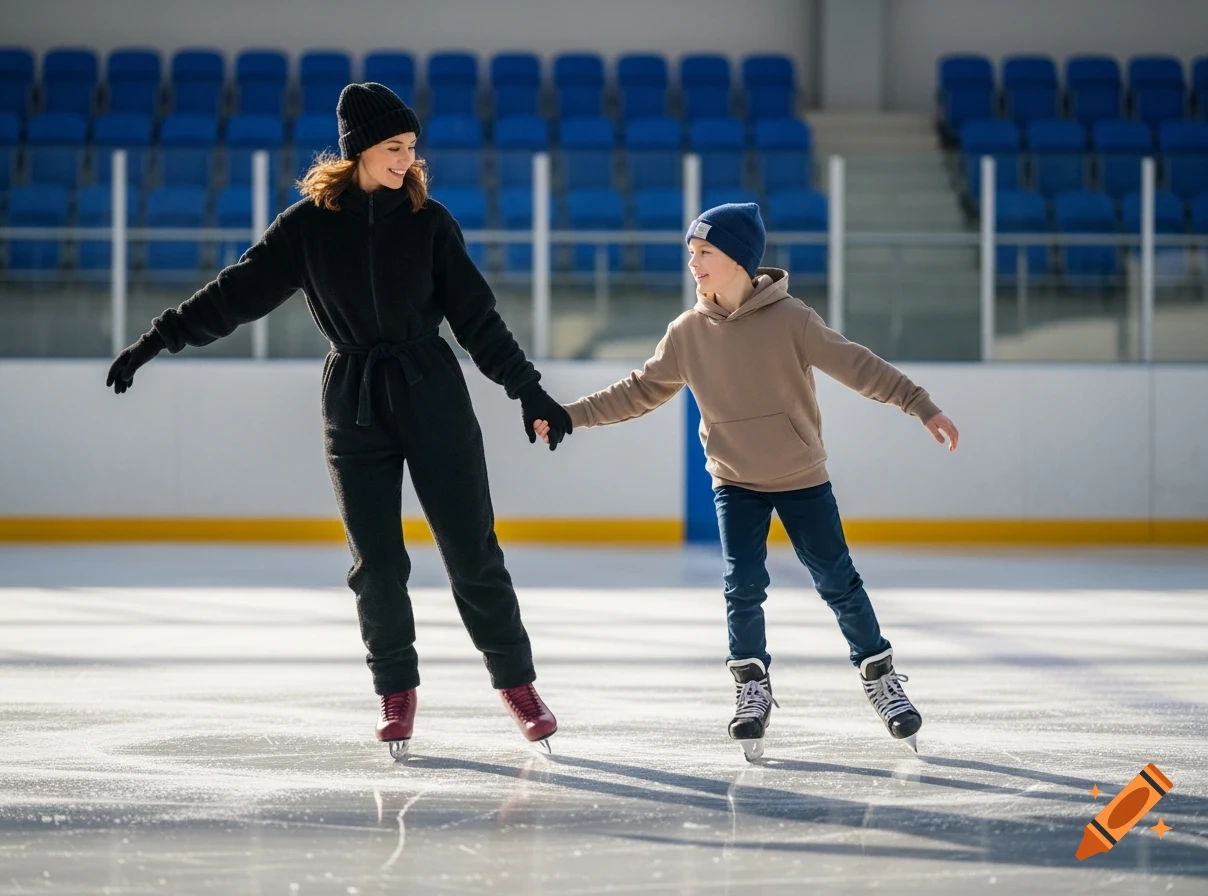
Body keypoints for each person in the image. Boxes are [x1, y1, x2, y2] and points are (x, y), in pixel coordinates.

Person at [106, 82, 574, 758]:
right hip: (353, 401)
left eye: (412, 149)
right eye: (393, 148)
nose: (407, 161)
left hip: (432, 391)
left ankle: (518, 685)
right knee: (376, 564)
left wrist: (527, 391)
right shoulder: (306, 228)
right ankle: (396, 693)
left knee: (472, 553)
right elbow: (234, 295)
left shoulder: (430, 221)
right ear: (358, 152)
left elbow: (477, 318)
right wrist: (157, 339)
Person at [533, 202, 959, 759]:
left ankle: (879, 675)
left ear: (738, 258)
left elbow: (859, 366)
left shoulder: (793, 320)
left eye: (705, 252)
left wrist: (920, 405)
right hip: (734, 480)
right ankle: (751, 687)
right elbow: (638, 391)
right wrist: (571, 413)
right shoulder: (687, 333)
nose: (695, 263)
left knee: (837, 579)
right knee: (743, 586)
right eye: (691, 254)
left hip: (800, 476)